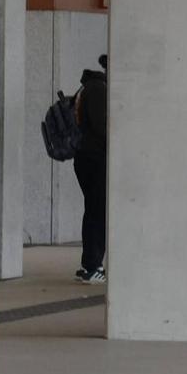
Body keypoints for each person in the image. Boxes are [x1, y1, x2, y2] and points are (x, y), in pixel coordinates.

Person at [73, 55, 108, 285]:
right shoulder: (98, 89)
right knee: (97, 212)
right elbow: (102, 126)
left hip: (87, 158)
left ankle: (90, 264)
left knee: (93, 211)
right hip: (94, 159)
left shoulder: (90, 88)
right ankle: (93, 266)